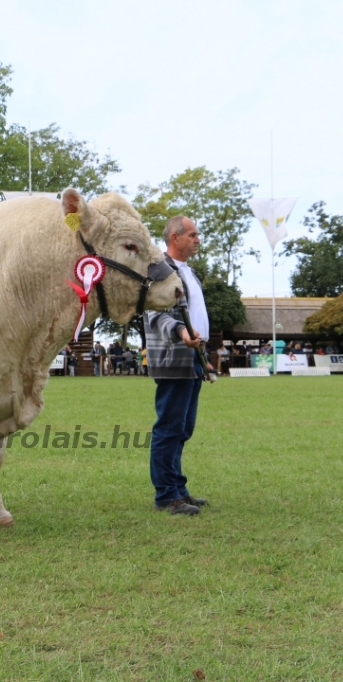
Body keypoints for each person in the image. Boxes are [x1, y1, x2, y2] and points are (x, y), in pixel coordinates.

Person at [144, 215, 210, 516]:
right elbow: (155, 315)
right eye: (193, 235)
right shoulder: (161, 270)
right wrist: (182, 332)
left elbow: (194, 315)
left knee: (183, 428)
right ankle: (167, 495)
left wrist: (204, 359)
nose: (197, 239)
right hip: (174, 358)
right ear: (175, 237)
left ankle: (178, 489)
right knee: (169, 428)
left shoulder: (186, 271)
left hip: (193, 358)